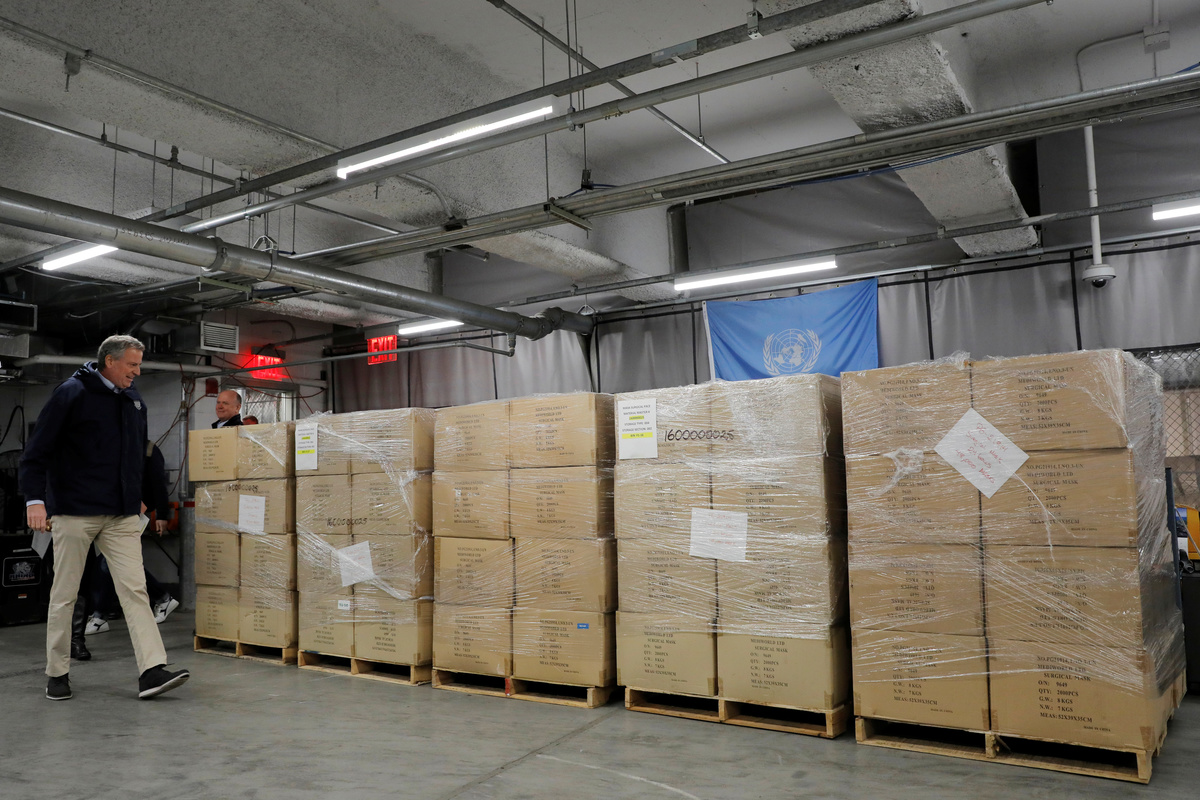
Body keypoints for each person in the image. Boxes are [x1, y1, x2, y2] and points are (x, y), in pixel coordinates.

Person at [20, 334, 190, 701]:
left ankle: (151, 670)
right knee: (65, 594)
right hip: (74, 511)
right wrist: (35, 500)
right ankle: (57, 673)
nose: (137, 372)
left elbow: (138, 454)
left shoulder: (133, 399)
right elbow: (36, 451)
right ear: (109, 361)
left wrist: (139, 497)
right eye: (132, 365)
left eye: (139, 365)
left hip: (121, 514)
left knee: (135, 590)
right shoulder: (72, 393)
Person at [81, 440, 179, 637]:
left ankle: (100, 616)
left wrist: (162, 515)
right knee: (118, 561)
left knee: (111, 561)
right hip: (115, 511)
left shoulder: (148, 450)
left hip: (135, 513)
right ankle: (162, 598)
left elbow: (158, 483)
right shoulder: (115, 447)